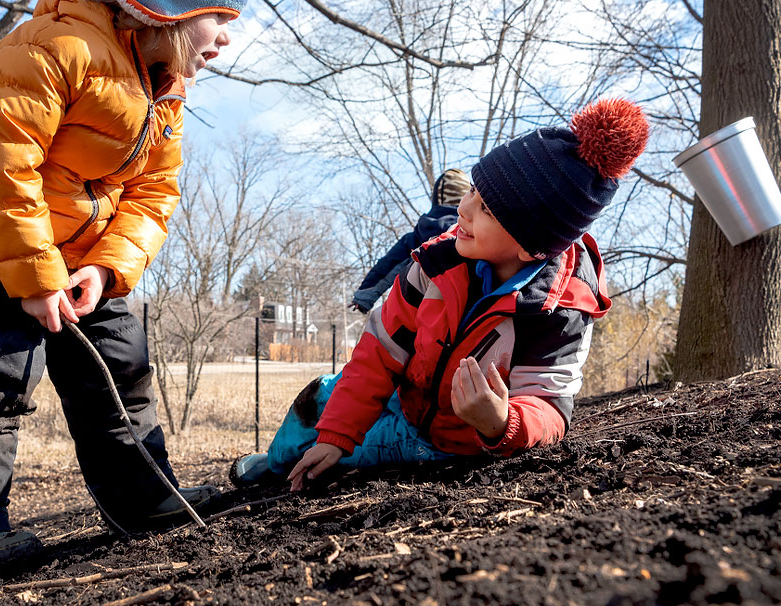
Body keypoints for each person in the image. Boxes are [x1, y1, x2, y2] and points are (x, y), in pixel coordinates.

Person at [0, 0, 254, 580]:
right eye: (218, 16)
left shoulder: (165, 91)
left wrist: (106, 269)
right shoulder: (54, 47)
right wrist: (32, 277)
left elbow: (154, 193)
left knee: (120, 368)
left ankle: (144, 498)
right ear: (165, 4)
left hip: (78, 250)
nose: (225, 37)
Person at [231, 99, 650, 489]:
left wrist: (501, 422)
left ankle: (299, 471)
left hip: (450, 441)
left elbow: (550, 406)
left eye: (486, 209)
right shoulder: (438, 260)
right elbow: (379, 350)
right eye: (472, 191)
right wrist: (337, 431)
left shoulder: (560, 309)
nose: (464, 210)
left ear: (529, 245)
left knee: (347, 454)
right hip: (406, 396)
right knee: (323, 396)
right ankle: (277, 462)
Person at [348, 169, 472, 313]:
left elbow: (387, 265)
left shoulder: (416, 236)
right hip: (471, 313)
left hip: (424, 312)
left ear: (435, 200)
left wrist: (364, 297)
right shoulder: (474, 232)